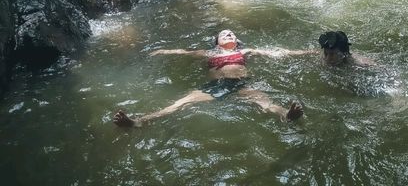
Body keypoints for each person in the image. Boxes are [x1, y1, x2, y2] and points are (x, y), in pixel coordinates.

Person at [113, 29, 312, 128]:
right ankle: (138, 122)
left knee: (266, 104)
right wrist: (161, 51)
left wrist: (306, 53)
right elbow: (182, 52)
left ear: (236, 41)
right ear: (216, 42)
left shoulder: (246, 51)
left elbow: (279, 52)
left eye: (231, 34)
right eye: (223, 34)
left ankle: (287, 115)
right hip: (216, 85)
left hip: (242, 85)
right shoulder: (208, 54)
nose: (228, 34)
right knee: (179, 104)